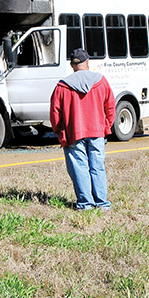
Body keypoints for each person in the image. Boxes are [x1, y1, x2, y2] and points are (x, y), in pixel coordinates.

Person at [49, 48, 116, 211]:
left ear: (72, 65)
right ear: (87, 63)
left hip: (73, 134)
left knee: (79, 167)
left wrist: (60, 131)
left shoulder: (62, 86)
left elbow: (54, 113)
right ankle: (102, 203)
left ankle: (85, 204)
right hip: (97, 132)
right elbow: (111, 107)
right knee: (97, 166)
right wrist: (106, 126)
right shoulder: (101, 81)